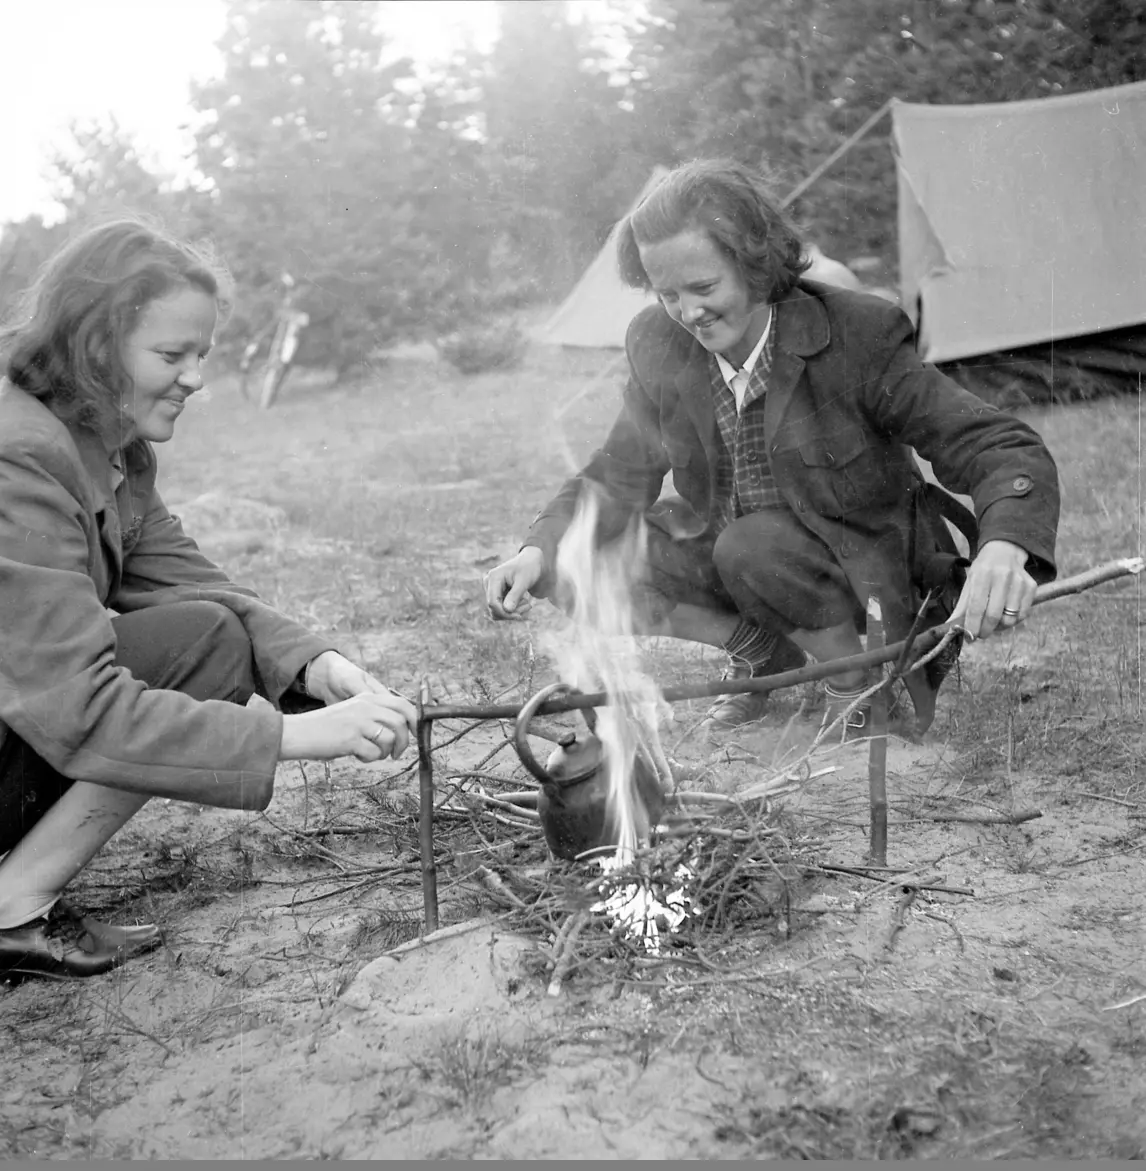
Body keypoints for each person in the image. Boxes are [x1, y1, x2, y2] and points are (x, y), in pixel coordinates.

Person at [485, 159, 1059, 736]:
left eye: (704, 287)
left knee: (751, 544)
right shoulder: (658, 344)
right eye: (667, 295)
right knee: (576, 556)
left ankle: (858, 680)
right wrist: (538, 548)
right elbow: (618, 474)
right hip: (742, 563)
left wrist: (1005, 546)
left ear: (755, 264)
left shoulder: (859, 334)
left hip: (865, 570)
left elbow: (995, 442)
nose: (689, 314)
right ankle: (760, 648)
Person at [0, 219, 416, 980]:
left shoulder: (108, 443)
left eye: (201, 355)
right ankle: (9, 911)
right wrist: (302, 740)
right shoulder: (17, 455)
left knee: (208, 635)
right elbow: (79, 708)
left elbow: (201, 590)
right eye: (171, 355)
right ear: (96, 347)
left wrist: (324, 672)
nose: (195, 378)